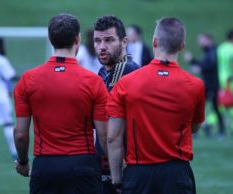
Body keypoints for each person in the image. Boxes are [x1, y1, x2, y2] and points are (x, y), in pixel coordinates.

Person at [107, 17, 205, 194]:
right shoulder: (195, 85)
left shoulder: (126, 83)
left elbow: (113, 137)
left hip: (139, 173)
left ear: (154, 41)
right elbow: (195, 127)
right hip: (178, 173)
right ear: (182, 45)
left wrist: (116, 180)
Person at [14, 13, 108, 194]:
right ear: (77, 38)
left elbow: (20, 134)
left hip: (45, 166)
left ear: (50, 39)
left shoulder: (28, 80)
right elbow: (104, 137)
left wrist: (23, 162)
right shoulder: (93, 81)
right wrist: (118, 171)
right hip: (83, 166)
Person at [93, 15, 138, 194]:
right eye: (97, 41)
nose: (102, 47)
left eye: (109, 40)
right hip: (106, 164)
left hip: (119, 166)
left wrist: (118, 173)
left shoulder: (127, 70)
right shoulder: (103, 71)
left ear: (124, 41)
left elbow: (109, 125)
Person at [184, 33, 225, 137]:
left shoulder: (213, 50)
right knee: (203, 107)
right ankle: (205, 130)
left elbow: (211, 65)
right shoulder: (208, 51)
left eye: (201, 40)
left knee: (213, 108)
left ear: (208, 40)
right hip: (208, 84)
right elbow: (204, 64)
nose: (199, 42)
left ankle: (220, 131)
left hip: (212, 85)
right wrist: (192, 60)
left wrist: (199, 67)